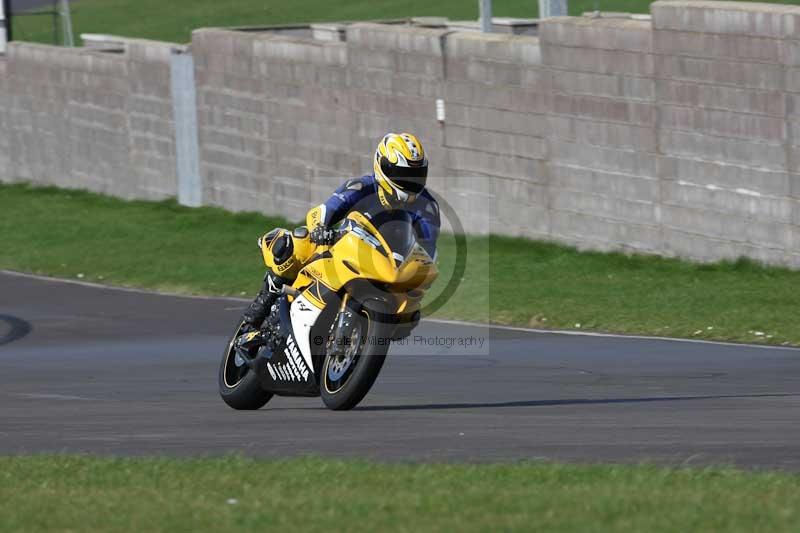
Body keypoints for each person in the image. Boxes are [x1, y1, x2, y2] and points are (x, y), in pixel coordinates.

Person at [241, 132, 441, 332]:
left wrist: (418, 275)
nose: (410, 181)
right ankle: (266, 298)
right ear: (382, 167)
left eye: (417, 174)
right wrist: (320, 228)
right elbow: (328, 208)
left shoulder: (427, 206)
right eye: (401, 174)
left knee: (410, 314)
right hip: (343, 247)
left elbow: (427, 247)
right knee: (297, 244)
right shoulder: (362, 186)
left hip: (387, 263)